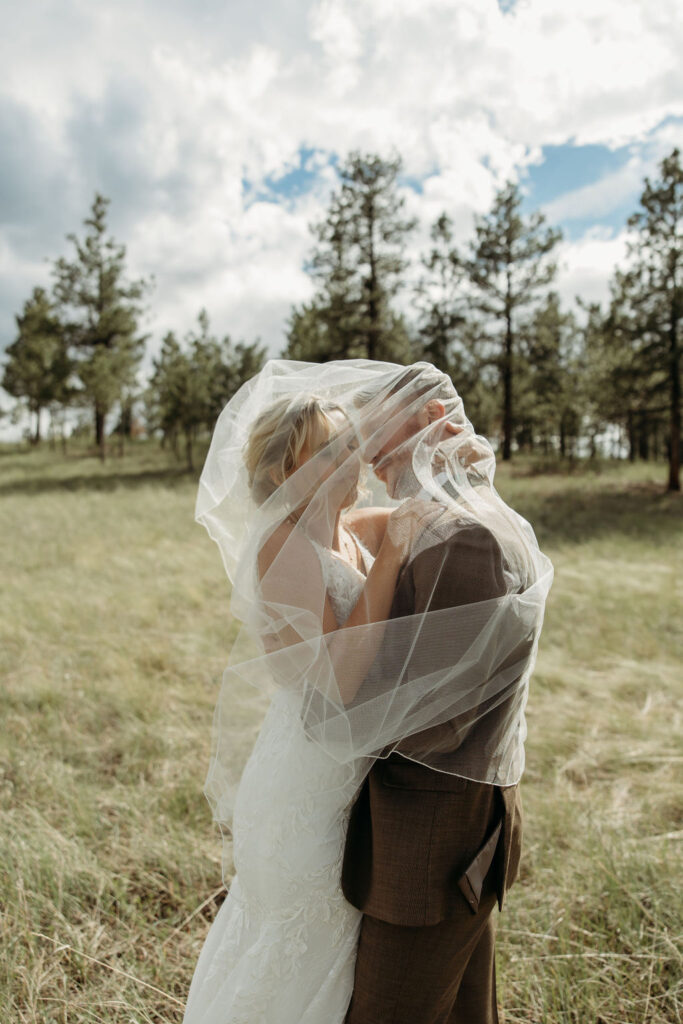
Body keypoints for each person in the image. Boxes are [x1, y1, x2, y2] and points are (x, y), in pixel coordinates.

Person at [186, 359, 552, 1024]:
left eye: (351, 441)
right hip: (310, 774)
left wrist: (466, 464)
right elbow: (341, 680)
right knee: (299, 933)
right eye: (333, 449)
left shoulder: (347, 527)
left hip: (349, 772)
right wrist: (388, 561)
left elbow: (436, 511)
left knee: (336, 947)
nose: (357, 455)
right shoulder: (282, 550)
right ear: (284, 474)